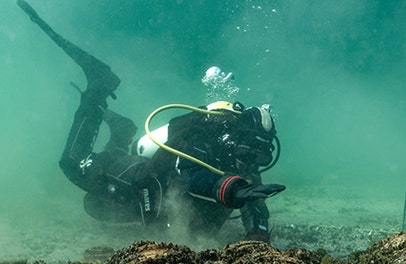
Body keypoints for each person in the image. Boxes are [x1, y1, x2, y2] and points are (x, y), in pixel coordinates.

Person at [18, 0, 285, 243]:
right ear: (239, 136)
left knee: (94, 206)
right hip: (141, 178)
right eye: (250, 150)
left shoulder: (243, 156)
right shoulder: (208, 135)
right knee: (73, 164)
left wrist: (257, 233)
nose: (251, 160)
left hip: (153, 195)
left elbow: (254, 195)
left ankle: (121, 133)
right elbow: (188, 174)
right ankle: (99, 85)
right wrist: (230, 190)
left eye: (259, 155)